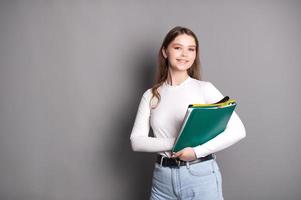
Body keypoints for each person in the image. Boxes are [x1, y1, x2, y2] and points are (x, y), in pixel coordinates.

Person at [130, 26, 246, 200]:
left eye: (191, 49)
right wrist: (177, 143)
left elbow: (238, 131)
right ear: (164, 51)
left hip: (199, 176)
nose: (185, 54)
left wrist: (196, 152)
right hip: (162, 179)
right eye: (178, 48)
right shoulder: (151, 95)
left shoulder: (204, 89)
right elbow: (136, 142)